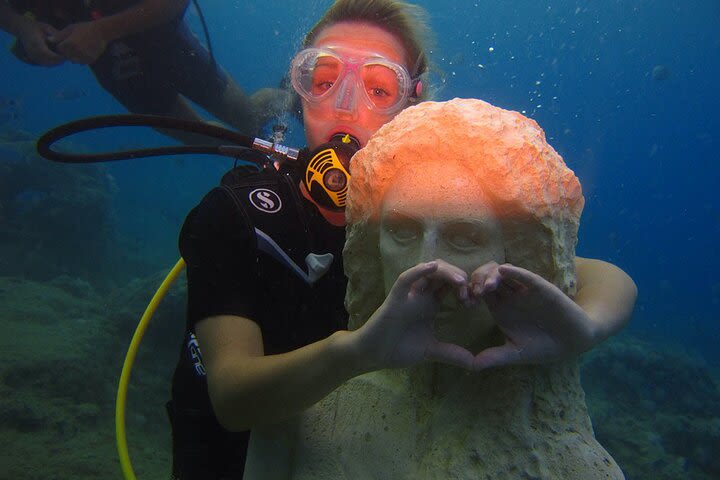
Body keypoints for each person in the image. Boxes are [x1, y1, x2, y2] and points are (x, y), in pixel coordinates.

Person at [168, 1, 637, 478]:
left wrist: (584, 328)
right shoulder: (240, 217)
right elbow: (232, 398)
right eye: (324, 80)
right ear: (299, 91)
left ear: (411, 106)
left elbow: (596, 275)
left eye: (378, 88)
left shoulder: (417, 208)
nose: (345, 106)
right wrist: (359, 352)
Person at [240, 98, 624, 479]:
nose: (427, 266)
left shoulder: (571, 466)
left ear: (519, 254)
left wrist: (586, 328)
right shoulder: (301, 417)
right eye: (402, 231)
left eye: (463, 238)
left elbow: (604, 279)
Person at [0, 0, 288, 143]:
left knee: (247, 120)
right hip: (115, 68)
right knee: (197, 137)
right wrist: (22, 27)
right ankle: (263, 162)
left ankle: (292, 91)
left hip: (165, 41)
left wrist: (101, 31)